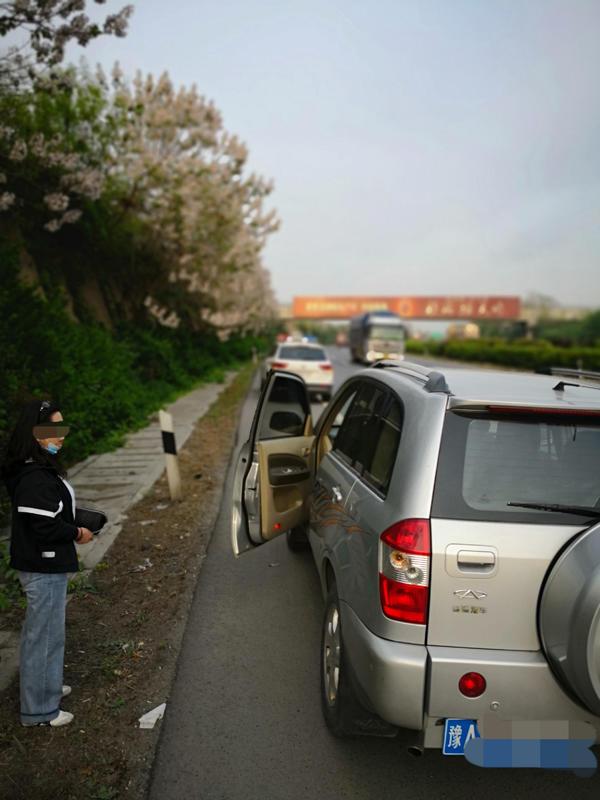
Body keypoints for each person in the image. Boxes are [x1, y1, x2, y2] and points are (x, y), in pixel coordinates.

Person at [1, 399, 93, 727]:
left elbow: (49, 513)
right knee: (44, 636)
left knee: (45, 633)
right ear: (36, 432)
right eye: (54, 429)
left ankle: (47, 687)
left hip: (46, 562)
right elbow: (44, 525)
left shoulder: (38, 468)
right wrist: (78, 532)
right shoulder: (33, 475)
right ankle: (39, 710)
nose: (61, 435)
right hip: (42, 564)